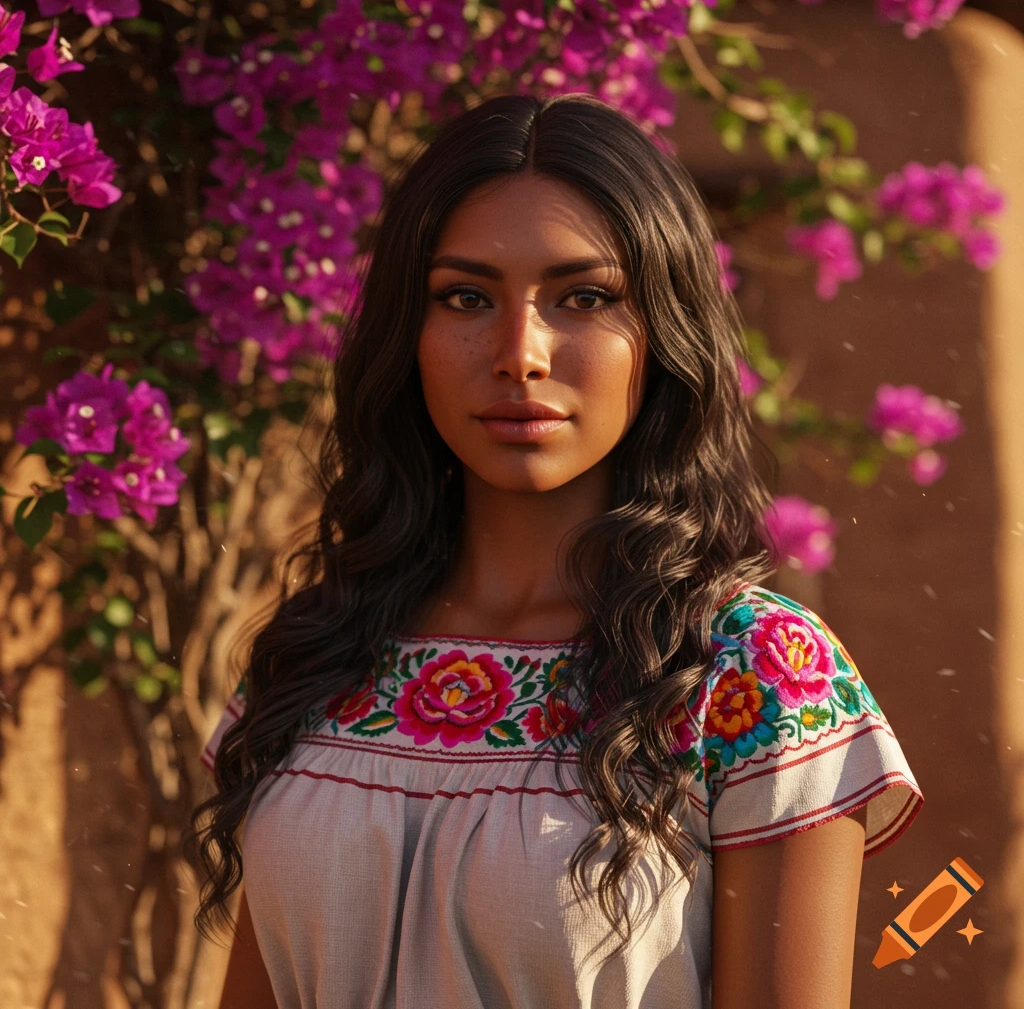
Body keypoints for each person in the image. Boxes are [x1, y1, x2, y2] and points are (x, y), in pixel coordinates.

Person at [184, 92, 924, 1009]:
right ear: (406, 337)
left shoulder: (750, 675)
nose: (519, 352)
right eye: (465, 297)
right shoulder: (318, 650)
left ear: (662, 335)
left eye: (584, 297)